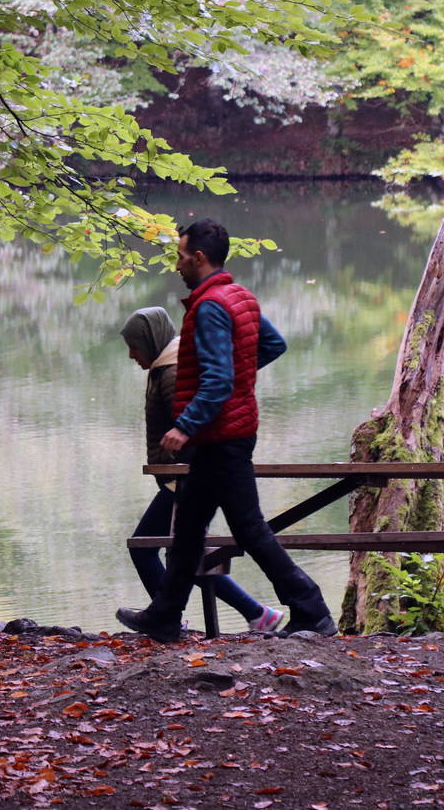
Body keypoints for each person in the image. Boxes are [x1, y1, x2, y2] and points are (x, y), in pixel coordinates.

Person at [116, 219, 337, 642]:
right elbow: (272, 345)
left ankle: (312, 609)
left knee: (250, 530)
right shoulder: (240, 297)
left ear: (199, 258)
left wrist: (186, 425)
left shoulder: (211, 306)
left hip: (220, 436)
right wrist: (236, 385)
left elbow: (217, 378)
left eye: (180, 257)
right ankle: (164, 615)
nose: (177, 265)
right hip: (224, 433)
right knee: (188, 532)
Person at [120, 307, 282, 633]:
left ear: (151, 341)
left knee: (146, 547)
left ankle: (166, 621)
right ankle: (257, 614)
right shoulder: (167, 368)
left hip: (185, 480)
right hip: (179, 479)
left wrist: (190, 471)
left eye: (134, 346)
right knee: (186, 554)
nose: (131, 355)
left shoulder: (172, 373)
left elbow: (198, 425)